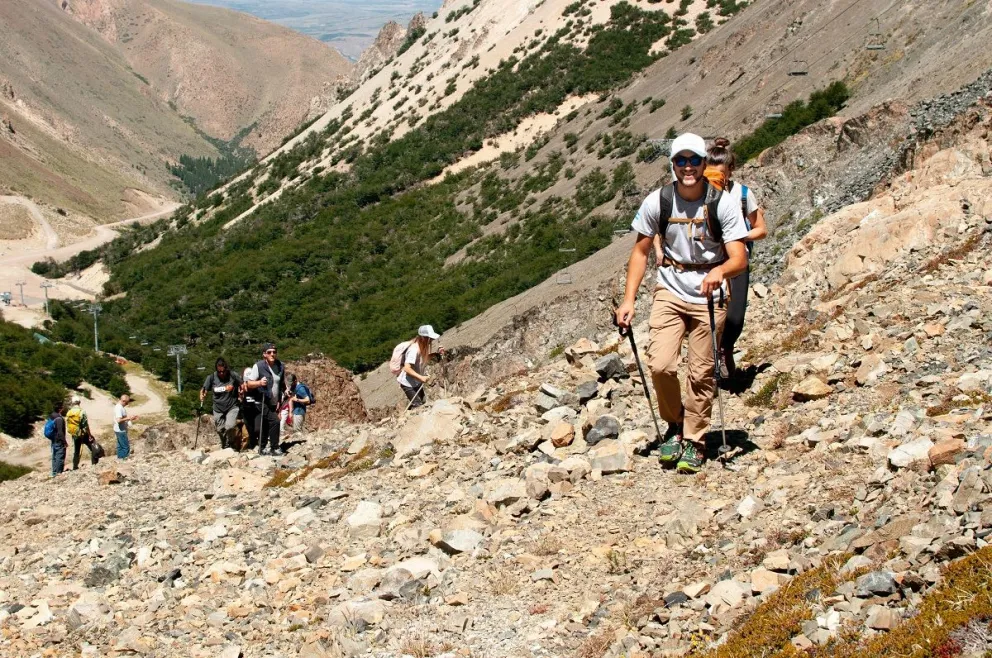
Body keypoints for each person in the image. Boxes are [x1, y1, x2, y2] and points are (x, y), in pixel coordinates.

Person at [616, 133, 748, 474]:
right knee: (661, 364)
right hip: (670, 290)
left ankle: (695, 439)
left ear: (704, 163)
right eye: (681, 161)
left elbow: (739, 258)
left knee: (701, 371)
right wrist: (629, 299)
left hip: (710, 294)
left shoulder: (724, 203)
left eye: (694, 160)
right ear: (673, 164)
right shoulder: (657, 201)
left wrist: (720, 270)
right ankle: (675, 424)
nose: (687, 167)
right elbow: (640, 250)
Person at [704, 137, 767, 378]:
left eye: (720, 172)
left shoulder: (742, 194)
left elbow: (761, 229)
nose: (716, 178)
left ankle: (725, 347)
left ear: (730, 170)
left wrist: (739, 236)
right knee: (711, 313)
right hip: (710, 260)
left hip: (737, 259)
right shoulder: (700, 193)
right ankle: (710, 363)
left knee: (736, 314)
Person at [245, 343, 287, 456]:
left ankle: (262, 448)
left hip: (274, 400)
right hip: (262, 399)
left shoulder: (280, 366)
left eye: (274, 352)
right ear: (264, 354)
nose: (272, 354)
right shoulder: (258, 366)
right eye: (269, 352)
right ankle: (274, 447)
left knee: (266, 424)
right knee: (275, 421)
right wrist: (259, 383)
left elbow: (281, 383)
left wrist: (284, 392)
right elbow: (249, 383)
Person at [200, 358, 243, 450]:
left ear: (226, 369)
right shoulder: (211, 377)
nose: (222, 374)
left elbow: (242, 384)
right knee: (220, 429)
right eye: (219, 372)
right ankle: (224, 444)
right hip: (218, 408)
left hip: (232, 406)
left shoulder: (233, 375)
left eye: (223, 371)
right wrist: (202, 395)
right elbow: (204, 389)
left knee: (230, 426)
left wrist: (242, 391)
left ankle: (231, 444)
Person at [397, 325, 441, 409]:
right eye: (430, 338)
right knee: (418, 406)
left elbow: (422, 360)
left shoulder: (423, 346)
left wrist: (437, 354)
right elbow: (407, 368)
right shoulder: (414, 350)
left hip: (416, 381)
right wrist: (421, 377)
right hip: (408, 383)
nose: (431, 340)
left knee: (424, 402)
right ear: (424, 338)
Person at [66, 396, 98, 469]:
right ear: (79, 402)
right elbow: (85, 425)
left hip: (74, 433)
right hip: (83, 433)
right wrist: (90, 435)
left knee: (76, 450)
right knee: (92, 446)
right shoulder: (82, 411)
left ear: (72, 403)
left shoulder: (69, 412)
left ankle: (75, 466)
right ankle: (94, 464)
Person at [241, 366, 261, 451]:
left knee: (257, 428)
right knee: (249, 428)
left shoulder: (257, 386)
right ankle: (252, 443)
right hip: (246, 409)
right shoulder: (241, 387)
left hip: (257, 409)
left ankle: (261, 442)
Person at [46, 401, 68, 477]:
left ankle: (54, 472)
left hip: (54, 439)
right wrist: (64, 442)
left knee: (54, 456)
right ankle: (59, 473)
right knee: (60, 456)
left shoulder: (52, 415)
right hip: (59, 440)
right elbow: (60, 432)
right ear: (60, 409)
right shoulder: (59, 419)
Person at [113, 394, 139, 459]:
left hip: (118, 430)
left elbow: (123, 418)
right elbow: (119, 420)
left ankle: (120, 458)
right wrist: (128, 418)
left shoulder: (119, 407)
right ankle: (124, 459)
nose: (127, 404)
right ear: (123, 401)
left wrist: (130, 418)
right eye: (127, 402)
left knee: (120, 445)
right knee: (125, 446)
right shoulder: (119, 408)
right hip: (121, 430)